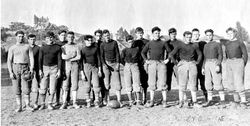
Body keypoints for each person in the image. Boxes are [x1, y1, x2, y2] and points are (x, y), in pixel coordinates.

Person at [169, 31, 202, 108]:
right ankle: (181, 102)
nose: (189, 39)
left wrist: (197, 62)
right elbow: (171, 54)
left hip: (192, 64)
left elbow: (200, 54)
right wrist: (176, 63)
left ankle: (195, 102)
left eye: (190, 37)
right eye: (187, 37)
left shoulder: (194, 45)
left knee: (193, 83)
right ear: (184, 37)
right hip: (183, 64)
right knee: (182, 84)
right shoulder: (180, 45)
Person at [141, 26, 171, 108]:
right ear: (152, 34)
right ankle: (151, 101)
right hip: (152, 64)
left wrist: (167, 59)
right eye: (155, 33)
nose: (157, 35)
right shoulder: (149, 43)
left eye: (158, 33)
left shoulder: (163, 43)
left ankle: (164, 101)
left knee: (163, 83)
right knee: (152, 82)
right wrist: (146, 60)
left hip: (161, 63)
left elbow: (170, 52)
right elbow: (143, 52)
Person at [7, 31, 34, 112]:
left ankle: (28, 105)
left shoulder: (27, 46)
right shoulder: (12, 48)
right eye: (19, 36)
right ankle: (19, 106)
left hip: (25, 68)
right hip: (15, 68)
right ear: (16, 37)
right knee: (16, 88)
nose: (21, 38)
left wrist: (31, 68)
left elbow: (31, 58)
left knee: (26, 88)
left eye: (22, 36)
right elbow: (9, 61)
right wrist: (11, 72)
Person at [222, 27, 248, 108]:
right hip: (229, 62)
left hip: (238, 61)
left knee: (239, 81)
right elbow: (226, 54)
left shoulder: (240, 42)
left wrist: (242, 63)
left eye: (231, 33)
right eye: (228, 34)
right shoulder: (227, 43)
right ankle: (236, 100)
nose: (229, 35)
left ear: (235, 33)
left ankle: (243, 102)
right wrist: (227, 62)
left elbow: (245, 55)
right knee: (231, 82)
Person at [202, 29, 225, 107]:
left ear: (213, 35)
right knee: (208, 83)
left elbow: (220, 55)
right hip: (207, 63)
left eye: (210, 35)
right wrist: (203, 67)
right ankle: (210, 100)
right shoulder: (205, 45)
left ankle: (222, 100)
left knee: (218, 81)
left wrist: (218, 64)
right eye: (207, 35)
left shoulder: (217, 44)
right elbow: (205, 57)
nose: (209, 37)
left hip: (214, 62)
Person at [38, 31, 62, 110]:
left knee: (52, 88)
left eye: (51, 37)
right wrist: (40, 70)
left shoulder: (57, 47)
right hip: (45, 69)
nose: (50, 39)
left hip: (54, 69)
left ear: (53, 38)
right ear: (45, 39)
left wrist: (59, 70)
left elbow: (59, 60)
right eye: (48, 38)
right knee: (43, 88)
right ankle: (42, 104)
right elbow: (40, 60)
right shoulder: (42, 48)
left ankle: (50, 103)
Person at [100, 30, 122, 106]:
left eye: (108, 35)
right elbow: (101, 56)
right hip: (106, 64)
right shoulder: (102, 44)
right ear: (103, 37)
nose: (107, 37)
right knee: (106, 84)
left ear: (110, 35)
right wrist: (104, 64)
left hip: (114, 63)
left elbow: (117, 53)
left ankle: (119, 100)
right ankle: (108, 100)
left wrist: (118, 63)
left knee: (118, 83)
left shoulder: (114, 42)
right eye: (105, 36)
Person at [60, 31, 81, 109]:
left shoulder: (77, 46)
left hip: (75, 66)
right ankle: (64, 102)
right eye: (69, 37)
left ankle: (74, 102)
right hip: (66, 66)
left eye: (72, 37)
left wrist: (70, 58)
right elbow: (63, 57)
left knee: (74, 84)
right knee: (65, 85)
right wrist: (72, 56)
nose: (70, 39)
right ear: (66, 38)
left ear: (74, 38)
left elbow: (78, 57)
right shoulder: (63, 47)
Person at [81, 35, 102, 108]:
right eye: (88, 40)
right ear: (85, 41)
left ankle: (96, 101)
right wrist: (82, 73)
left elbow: (99, 59)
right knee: (87, 86)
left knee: (96, 85)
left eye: (91, 40)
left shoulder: (95, 49)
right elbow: (81, 62)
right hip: (86, 67)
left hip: (95, 67)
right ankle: (88, 101)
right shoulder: (83, 50)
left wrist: (99, 70)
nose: (90, 42)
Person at [121, 35, 141, 106]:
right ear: (126, 42)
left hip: (135, 65)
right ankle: (130, 101)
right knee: (128, 83)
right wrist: (127, 65)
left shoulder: (137, 49)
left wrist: (135, 64)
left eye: (132, 42)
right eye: (129, 42)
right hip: (127, 66)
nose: (131, 43)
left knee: (137, 83)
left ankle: (138, 100)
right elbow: (121, 59)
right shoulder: (124, 50)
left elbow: (140, 58)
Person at [133, 27, 149, 104]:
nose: (140, 34)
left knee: (144, 81)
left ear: (143, 33)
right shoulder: (134, 42)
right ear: (136, 34)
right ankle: (137, 99)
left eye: (141, 33)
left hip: (144, 62)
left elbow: (149, 51)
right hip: (136, 63)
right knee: (136, 81)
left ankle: (144, 98)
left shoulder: (147, 41)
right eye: (138, 33)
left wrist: (147, 61)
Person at [55, 30, 71, 106]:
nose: (63, 36)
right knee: (58, 83)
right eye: (61, 35)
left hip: (67, 64)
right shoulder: (56, 44)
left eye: (64, 35)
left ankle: (67, 100)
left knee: (68, 83)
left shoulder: (67, 44)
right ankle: (57, 100)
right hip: (58, 65)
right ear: (58, 36)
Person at [192, 28, 208, 101]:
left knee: (203, 82)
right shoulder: (190, 44)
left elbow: (206, 56)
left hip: (201, 65)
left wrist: (204, 66)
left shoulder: (203, 43)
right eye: (194, 34)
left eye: (197, 34)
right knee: (193, 82)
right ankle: (194, 99)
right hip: (192, 65)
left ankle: (206, 97)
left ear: (199, 35)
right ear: (192, 35)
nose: (195, 36)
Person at [27, 34, 40, 110]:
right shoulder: (26, 47)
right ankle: (27, 103)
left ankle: (35, 102)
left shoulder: (38, 48)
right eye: (31, 39)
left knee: (37, 86)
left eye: (33, 39)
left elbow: (40, 59)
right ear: (28, 39)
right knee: (27, 87)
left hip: (36, 69)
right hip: (27, 70)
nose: (32, 41)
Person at [94, 30, 106, 105]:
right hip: (95, 65)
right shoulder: (93, 44)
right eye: (97, 35)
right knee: (95, 82)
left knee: (102, 82)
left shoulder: (103, 44)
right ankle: (95, 99)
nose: (98, 37)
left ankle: (104, 99)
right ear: (95, 36)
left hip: (102, 64)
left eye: (100, 35)